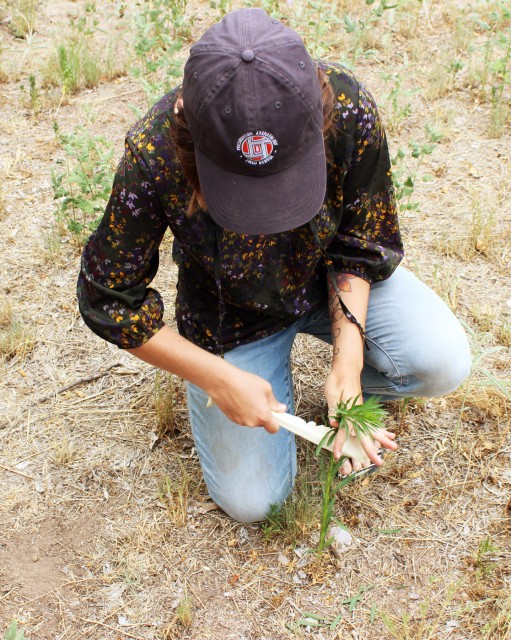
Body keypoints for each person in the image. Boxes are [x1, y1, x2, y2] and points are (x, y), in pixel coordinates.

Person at [77, 8, 471, 523]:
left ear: (317, 108)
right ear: (186, 122)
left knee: (441, 362)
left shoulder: (347, 107)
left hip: (327, 281)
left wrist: (348, 364)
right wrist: (215, 376)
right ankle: (251, 376)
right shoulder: (155, 150)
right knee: (255, 503)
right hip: (229, 317)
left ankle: (320, 384)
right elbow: (109, 297)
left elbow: (360, 241)